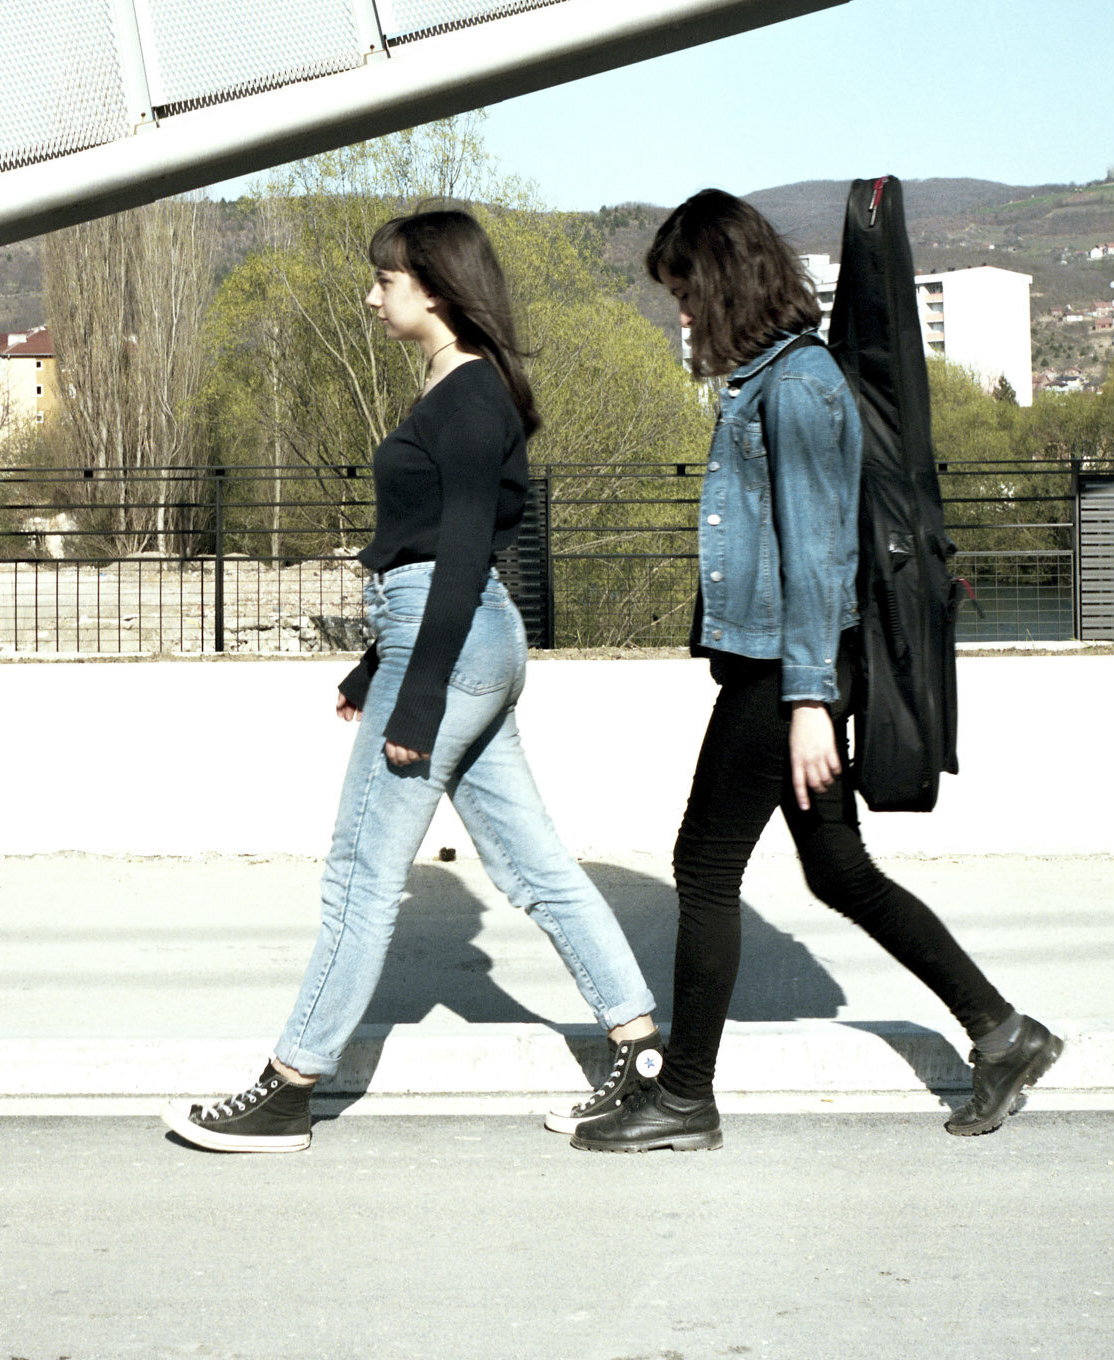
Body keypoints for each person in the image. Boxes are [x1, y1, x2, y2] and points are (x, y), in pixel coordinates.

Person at [572, 189, 1060, 1154]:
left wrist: (806, 700)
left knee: (702, 868)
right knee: (839, 869)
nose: (679, 314)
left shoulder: (794, 387)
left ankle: (687, 1099)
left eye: (684, 294)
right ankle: (1005, 1033)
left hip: (780, 674)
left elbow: (820, 552)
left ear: (725, 285)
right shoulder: (774, 378)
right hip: (787, 669)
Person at [165, 208, 661, 1152]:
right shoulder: (454, 384)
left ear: (432, 286)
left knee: (360, 873)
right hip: (448, 636)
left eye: (384, 280)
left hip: (452, 639)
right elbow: (425, 544)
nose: (370, 294)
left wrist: (420, 691)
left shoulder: (469, 396)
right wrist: (375, 663)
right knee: (535, 867)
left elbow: (464, 551)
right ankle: (641, 1059)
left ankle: (287, 1089)